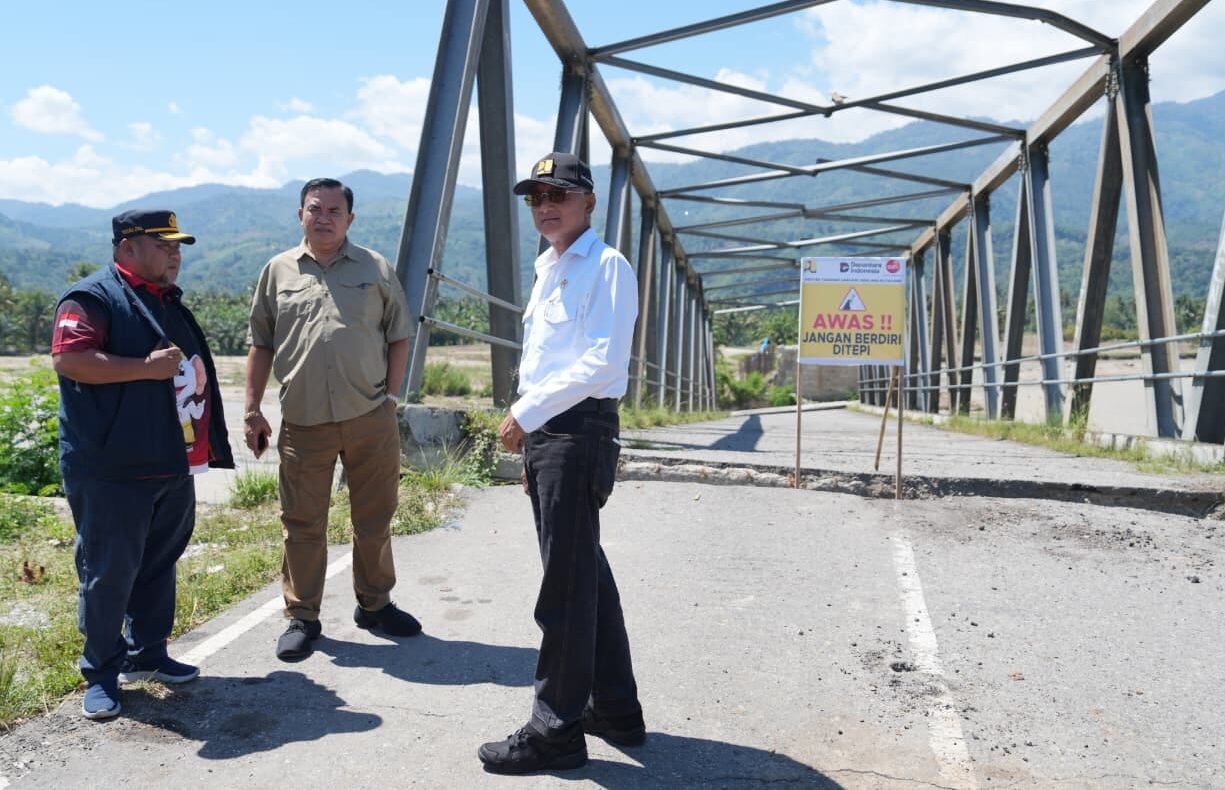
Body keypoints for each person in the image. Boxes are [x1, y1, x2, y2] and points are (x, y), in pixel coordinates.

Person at [478, 152, 644, 774]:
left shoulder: (605, 265)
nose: (546, 206)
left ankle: (555, 731)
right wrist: (534, 418)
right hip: (554, 434)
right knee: (585, 574)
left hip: (575, 432)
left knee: (566, 588)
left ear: (589, 202)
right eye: (536, 197)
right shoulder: (551, 267)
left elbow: (602, 362)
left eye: (559, 195)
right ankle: (616, 709)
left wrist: (526, 411)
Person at [52, 209, 234, 720]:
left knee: (158, 564)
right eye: (165, 244)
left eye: (179, 246)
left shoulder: (163, 299)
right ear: (127, 246)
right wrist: (145, 370)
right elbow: (70, 359)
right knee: (108, 572)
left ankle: (148, 654)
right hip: (112, 467)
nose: (176, 254)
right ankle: (102, 672)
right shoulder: (92, 297)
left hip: (168, 462)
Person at [244, 177, 420, 662]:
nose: (323, 217)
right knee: (302, 522)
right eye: (314, 209)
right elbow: (260, 344)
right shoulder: (277, 271)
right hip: (304, 421)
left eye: (334, 210)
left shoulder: (375, 267)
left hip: (369, 415)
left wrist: (391, 396)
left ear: (350, 218)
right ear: (300, 213)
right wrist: (252, 409)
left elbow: (400, 333)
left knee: (375, 517)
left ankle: (376, 604)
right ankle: (303, 617)